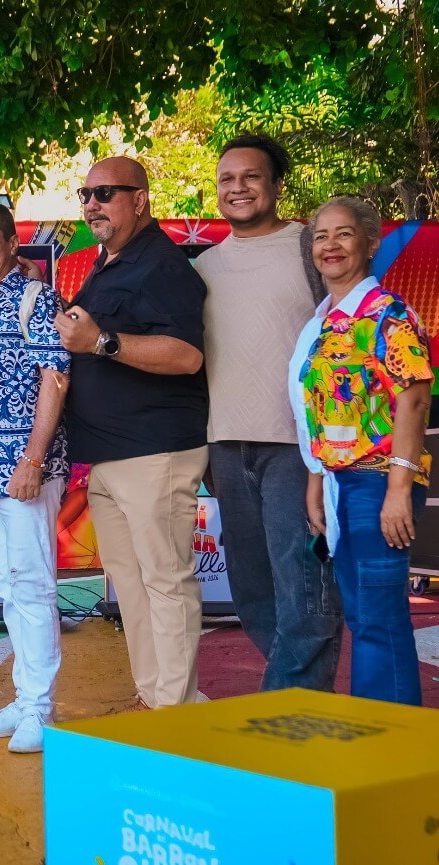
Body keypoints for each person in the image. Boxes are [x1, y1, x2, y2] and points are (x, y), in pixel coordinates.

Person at [54, 156, 209, 709]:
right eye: (85, 195)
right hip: (109, 456)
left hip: (155, 452)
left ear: (139, 199)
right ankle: (155, 697)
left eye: (105, 193)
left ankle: (175, 709)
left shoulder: (162, 265)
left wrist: (102, 343)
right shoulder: (110, 263)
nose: (91, 204)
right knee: (133, 586)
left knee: (165, 581)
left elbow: (187, 355)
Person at [194, 134, 342, 692]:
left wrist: (328, 450)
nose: (238, 188)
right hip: (226, 446)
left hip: (298, 449)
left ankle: (290, 706)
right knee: (252, 590)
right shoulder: (204, 266)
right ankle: (298, 695)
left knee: (305, 583)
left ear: (277, 185)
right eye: (227, 179)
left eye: (251, 177)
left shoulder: (312, 249)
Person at [292, 196, 433, 706]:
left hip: (378, 484)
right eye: (321, 236)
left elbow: (414, 397)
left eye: (344, 233)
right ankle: (380, 727)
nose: (330, 245)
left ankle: (393, 735)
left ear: (370, 243)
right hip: (342, 484)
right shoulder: (326, 320)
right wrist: (316, 480)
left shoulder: (387, 314)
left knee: (379, 617)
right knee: (363, 615)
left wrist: (398, 488)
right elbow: (322, 409)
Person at [0, 202, 69, 754]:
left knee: (33, 587)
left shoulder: (35, 297)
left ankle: (40, 709)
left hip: (25, 472)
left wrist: (33, 460)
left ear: (10, 245)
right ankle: (25, 700)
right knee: (7, 586)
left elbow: (56, 374)